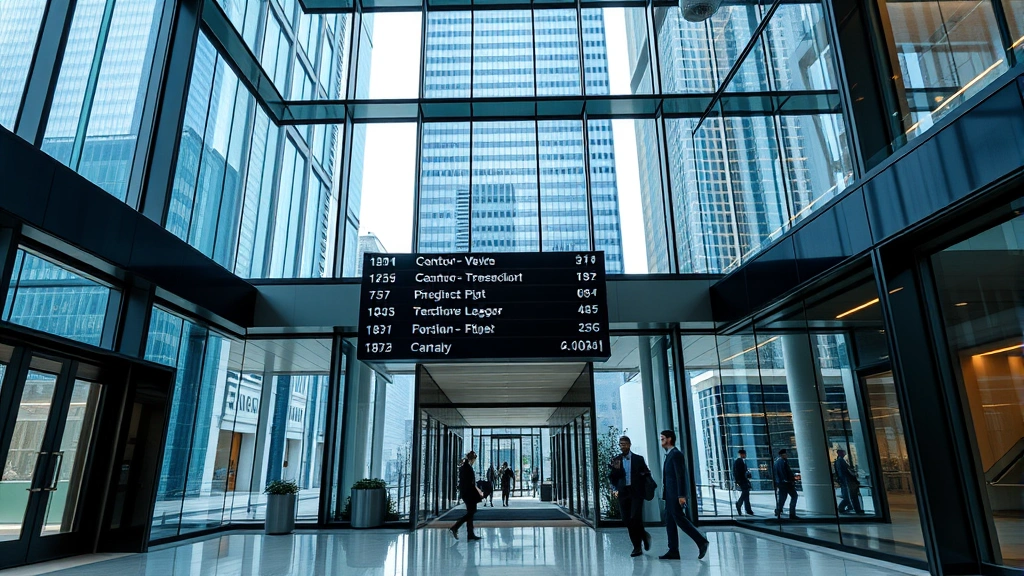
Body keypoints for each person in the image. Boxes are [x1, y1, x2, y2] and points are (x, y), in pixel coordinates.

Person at [658, 430, 709, 561]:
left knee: (680, 519)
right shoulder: (669, 455)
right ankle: (673, 550)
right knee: (669, 521)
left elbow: (681, 476)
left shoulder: (676, 454)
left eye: (662, 438)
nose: (661, 441)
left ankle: (701, 541)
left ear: (669, 439)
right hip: (670, 495)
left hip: (675, 495)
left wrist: (681, 495)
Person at [609, 435, 652, 557]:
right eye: (621, 444)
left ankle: (637, 547)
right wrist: (614, 488)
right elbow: (612, 477)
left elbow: (646, 473)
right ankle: (644, 535)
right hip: (623, 493)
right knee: (627, 520)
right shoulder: (616, 460)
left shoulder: (639, 459)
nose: (623, 446)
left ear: (629, 444)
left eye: (625, 443)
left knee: (635, 518)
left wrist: (642, 478)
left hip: (636, 493)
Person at [450, 451, 484, 541]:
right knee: (471, 512)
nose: (474, 461)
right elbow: (470, 483)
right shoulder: (467, 468)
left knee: (471, 512)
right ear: (472, 459)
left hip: (466, 493)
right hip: (469, 493)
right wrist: (477, 492)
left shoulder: (464, 467)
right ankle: (456, 527)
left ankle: (470, 534)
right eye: (474, 459)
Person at [835, 449, 863, 514]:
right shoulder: (841, 461)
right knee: (850, 496)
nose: (844, 453)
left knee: (849, 496)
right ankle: (844, 508)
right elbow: (846, 472)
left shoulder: (839, 461)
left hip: (845, 481)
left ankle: (849, 508)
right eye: (843, 452)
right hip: (847, 482)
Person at [773, 448, 799, 519]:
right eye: (786, 454)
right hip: (786, 483)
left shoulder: (776, 462)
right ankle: (792, 513)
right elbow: (785, 473)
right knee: (794, 496)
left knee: (782, 498)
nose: (787, 455)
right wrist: (790, 480)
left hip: (780, 483)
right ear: (783, 454)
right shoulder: (783, 462)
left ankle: (778, 510)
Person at [732, 449, 754, 516]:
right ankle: (739, 504)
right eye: (744, 454)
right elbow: (737, 472)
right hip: (742, 480)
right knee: (745, 493)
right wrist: (738, 481)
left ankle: (748, 509)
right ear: (741, 454)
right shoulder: (739, 461)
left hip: (743, 480)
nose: (745, 455)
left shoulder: (741, 461)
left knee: (746, 494)